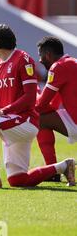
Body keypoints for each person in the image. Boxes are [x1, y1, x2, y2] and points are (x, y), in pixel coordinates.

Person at [0, 24, 75, 189]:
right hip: (9, 120)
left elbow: (29, 98)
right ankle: (63, 166)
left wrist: (2, 112)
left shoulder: (23, 59)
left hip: (25, 120)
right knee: (18, 180)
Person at [35, 36, 76, 183]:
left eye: (40, 55)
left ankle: (52, 170)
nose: (39, 60)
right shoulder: (71, 63)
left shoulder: (58, 67)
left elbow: (41, 105)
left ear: (48, 55)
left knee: (39, 120)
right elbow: (52, 104)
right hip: (73, 117)